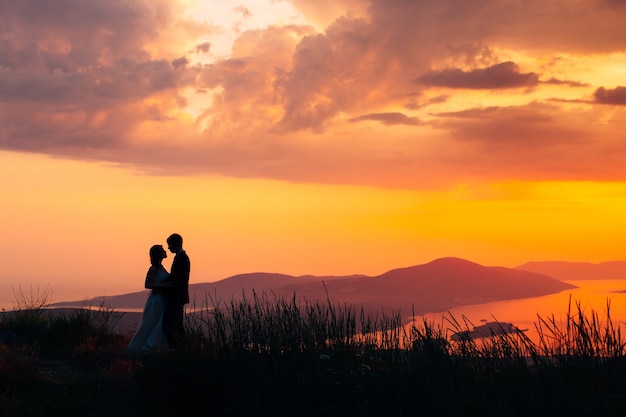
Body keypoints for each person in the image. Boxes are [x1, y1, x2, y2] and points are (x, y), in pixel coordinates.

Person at [127, 244, 172, 352]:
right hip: (156, 300)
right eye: (162, 251)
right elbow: (147, 284)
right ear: (157, 254)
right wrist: (165, 286)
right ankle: (145, 348)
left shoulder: (161, 267)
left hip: (161, 300)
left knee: (157, 324)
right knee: (151, 323)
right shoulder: (153, 269)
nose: (165, 252)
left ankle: (153, 347)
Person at [162, 233, 190, 347]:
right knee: (175, 321)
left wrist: (166, 284)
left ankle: (179, 346)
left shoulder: (182, 258)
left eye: (169, 245)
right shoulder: (179, 257)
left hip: (177, 296)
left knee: (174, 322)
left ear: (176, 243)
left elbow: (179, 279)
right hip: (176, 296)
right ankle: (179, 346)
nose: (168, 248)